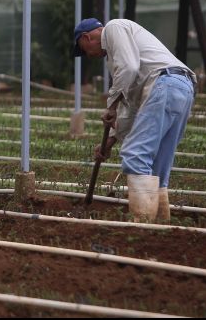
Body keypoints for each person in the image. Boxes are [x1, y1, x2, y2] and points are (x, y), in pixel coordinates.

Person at [73, 18, 196, 222]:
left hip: (164, 84)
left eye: (84, 50)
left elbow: (129, 68)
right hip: (182, 87)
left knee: (135, 155)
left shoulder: (113, 28)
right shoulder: (118, 54)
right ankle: (161, 224)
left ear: (86, 38)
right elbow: (131, 107)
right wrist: (110, 140)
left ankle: (142, 226)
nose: (88, 55)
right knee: (157, 168)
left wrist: (111, 104)